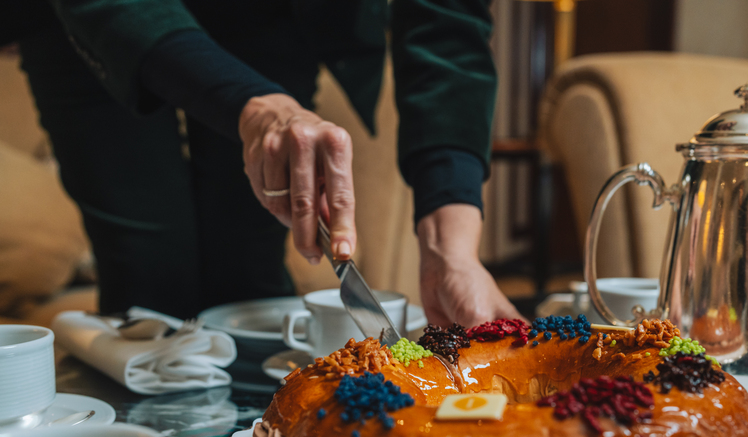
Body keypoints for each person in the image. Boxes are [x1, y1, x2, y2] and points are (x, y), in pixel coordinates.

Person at [8, 0, 521, 326]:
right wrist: (254, 107)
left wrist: (451, 252)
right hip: (99, 21)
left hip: (274, 16)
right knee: (149, 276)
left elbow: (447, 26)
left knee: (248, 270)